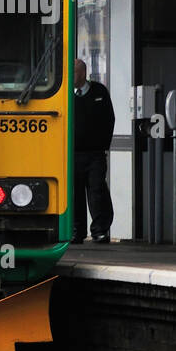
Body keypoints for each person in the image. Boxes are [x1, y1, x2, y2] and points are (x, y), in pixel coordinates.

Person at [73, 58, 115, 242]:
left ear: (82, 73)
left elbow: (109, 119)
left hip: (95, 154)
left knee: (97, 191)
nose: (69, 76)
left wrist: (103, 145)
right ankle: (76, 231)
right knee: (74, 193)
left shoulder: (99, 92)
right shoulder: (65, 94)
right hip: (72, 154)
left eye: (73, 72)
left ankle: (100, 230)